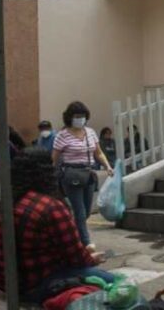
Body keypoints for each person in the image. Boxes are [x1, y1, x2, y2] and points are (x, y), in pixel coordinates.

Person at [0, 148, 114, 302]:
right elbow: (77, 258)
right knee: (114, 281)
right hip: (35, 287)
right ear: (48, 174)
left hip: (1, 283)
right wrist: (92, 258)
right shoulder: (49, 207)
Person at [52, 101, 114, 248]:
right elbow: (54, 158)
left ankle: (70, 235)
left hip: (89, 174)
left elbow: (98, 152)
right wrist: (49, 175)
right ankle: (86, 243)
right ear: (69, 117)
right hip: (71, 175)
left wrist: (108, 166)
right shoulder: (62, 135)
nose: (80, 119)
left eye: (82, 116)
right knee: (79, 211)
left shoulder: (90, 132)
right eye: (77, 116)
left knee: (86, 212)